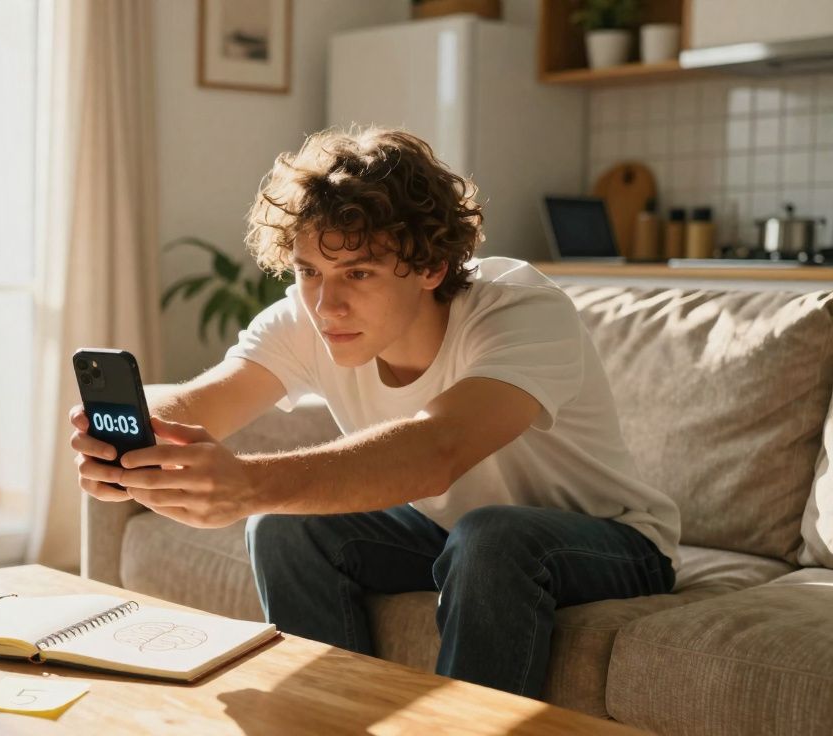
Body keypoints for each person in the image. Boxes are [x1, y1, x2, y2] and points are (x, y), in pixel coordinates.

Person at [69, 126, 679, 699]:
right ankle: (328, 717)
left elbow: (436, 450)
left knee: (493, 535)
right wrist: (129, 431)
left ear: (432, 267)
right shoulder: (308, 317)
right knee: (285, 524)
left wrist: (249, 483)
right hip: (448, 536)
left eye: (358, 272)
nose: (327, 304)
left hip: (611, 542)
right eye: (310, 272)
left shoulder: (522, 314)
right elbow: (208, 400)